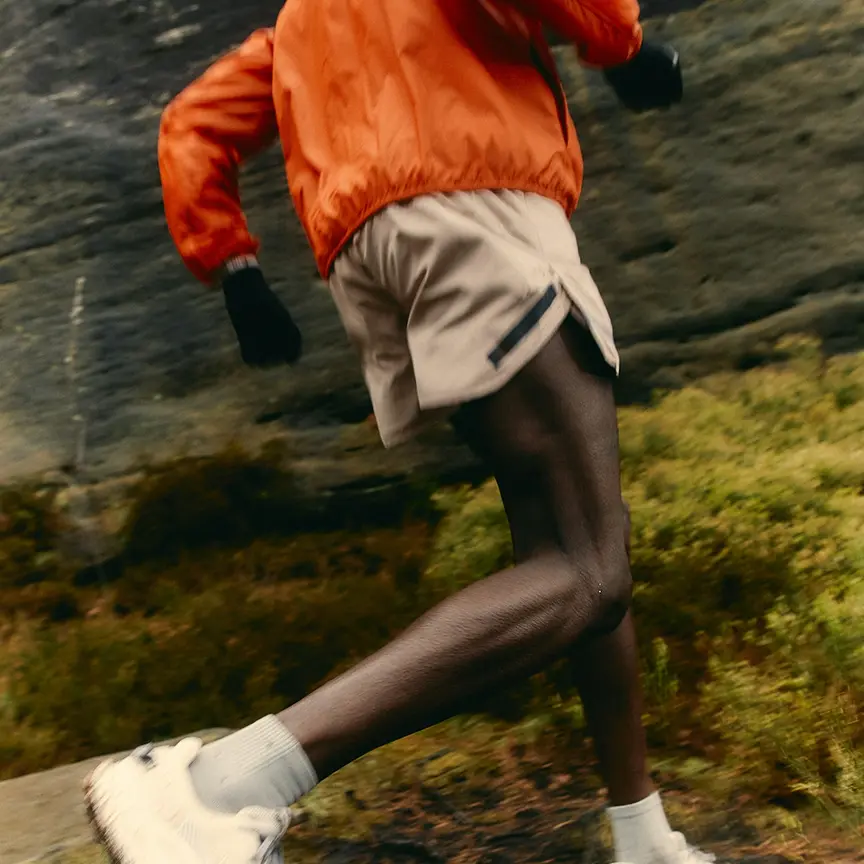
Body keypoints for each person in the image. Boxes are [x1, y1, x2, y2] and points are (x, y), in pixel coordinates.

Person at [84, 1, 710, 863]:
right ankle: (218, 787)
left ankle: (643, 835)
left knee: (567, 549)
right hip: (472, 206)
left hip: (370, 249)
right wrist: (625, 47)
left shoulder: (301, 25)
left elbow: (192, 123)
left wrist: (233, 265)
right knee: (592, 572)